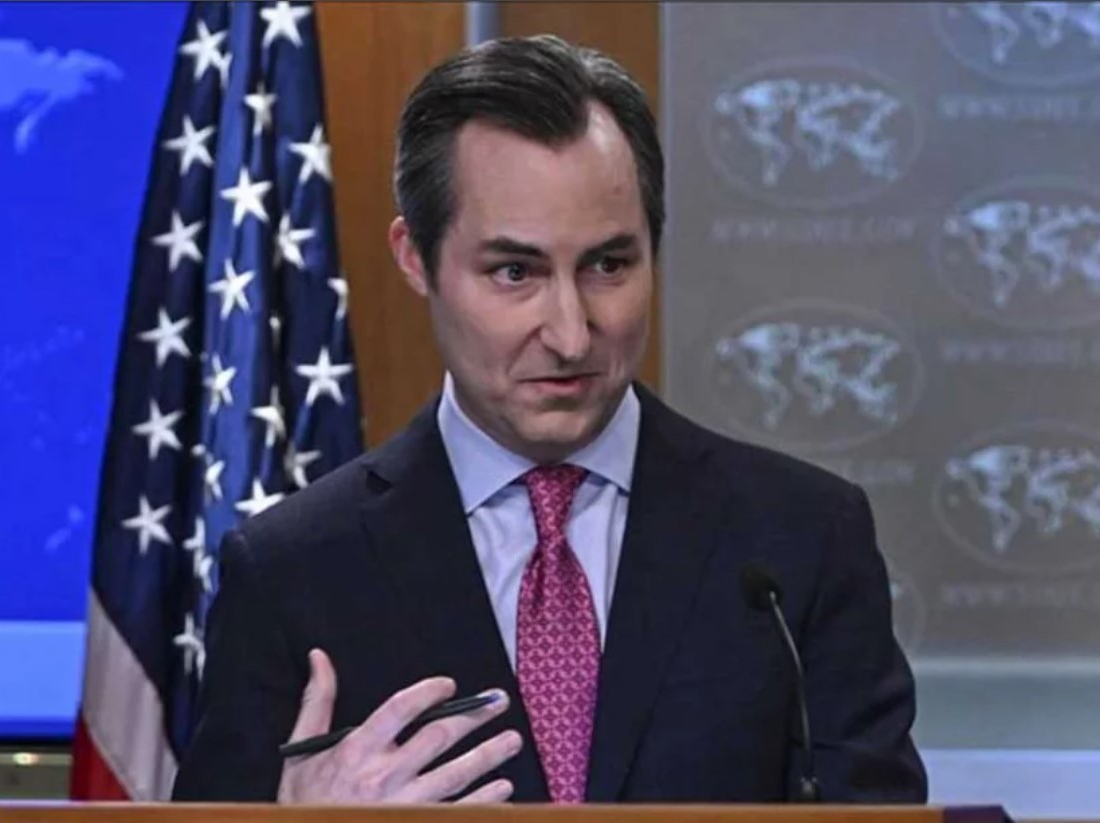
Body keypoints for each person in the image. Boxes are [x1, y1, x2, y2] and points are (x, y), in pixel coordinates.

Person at [172, 34, 927, 805]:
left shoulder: (799, 542)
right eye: (514, 271)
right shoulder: (293, 572)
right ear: (415, 257)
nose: (570, 334)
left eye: (608, 265)